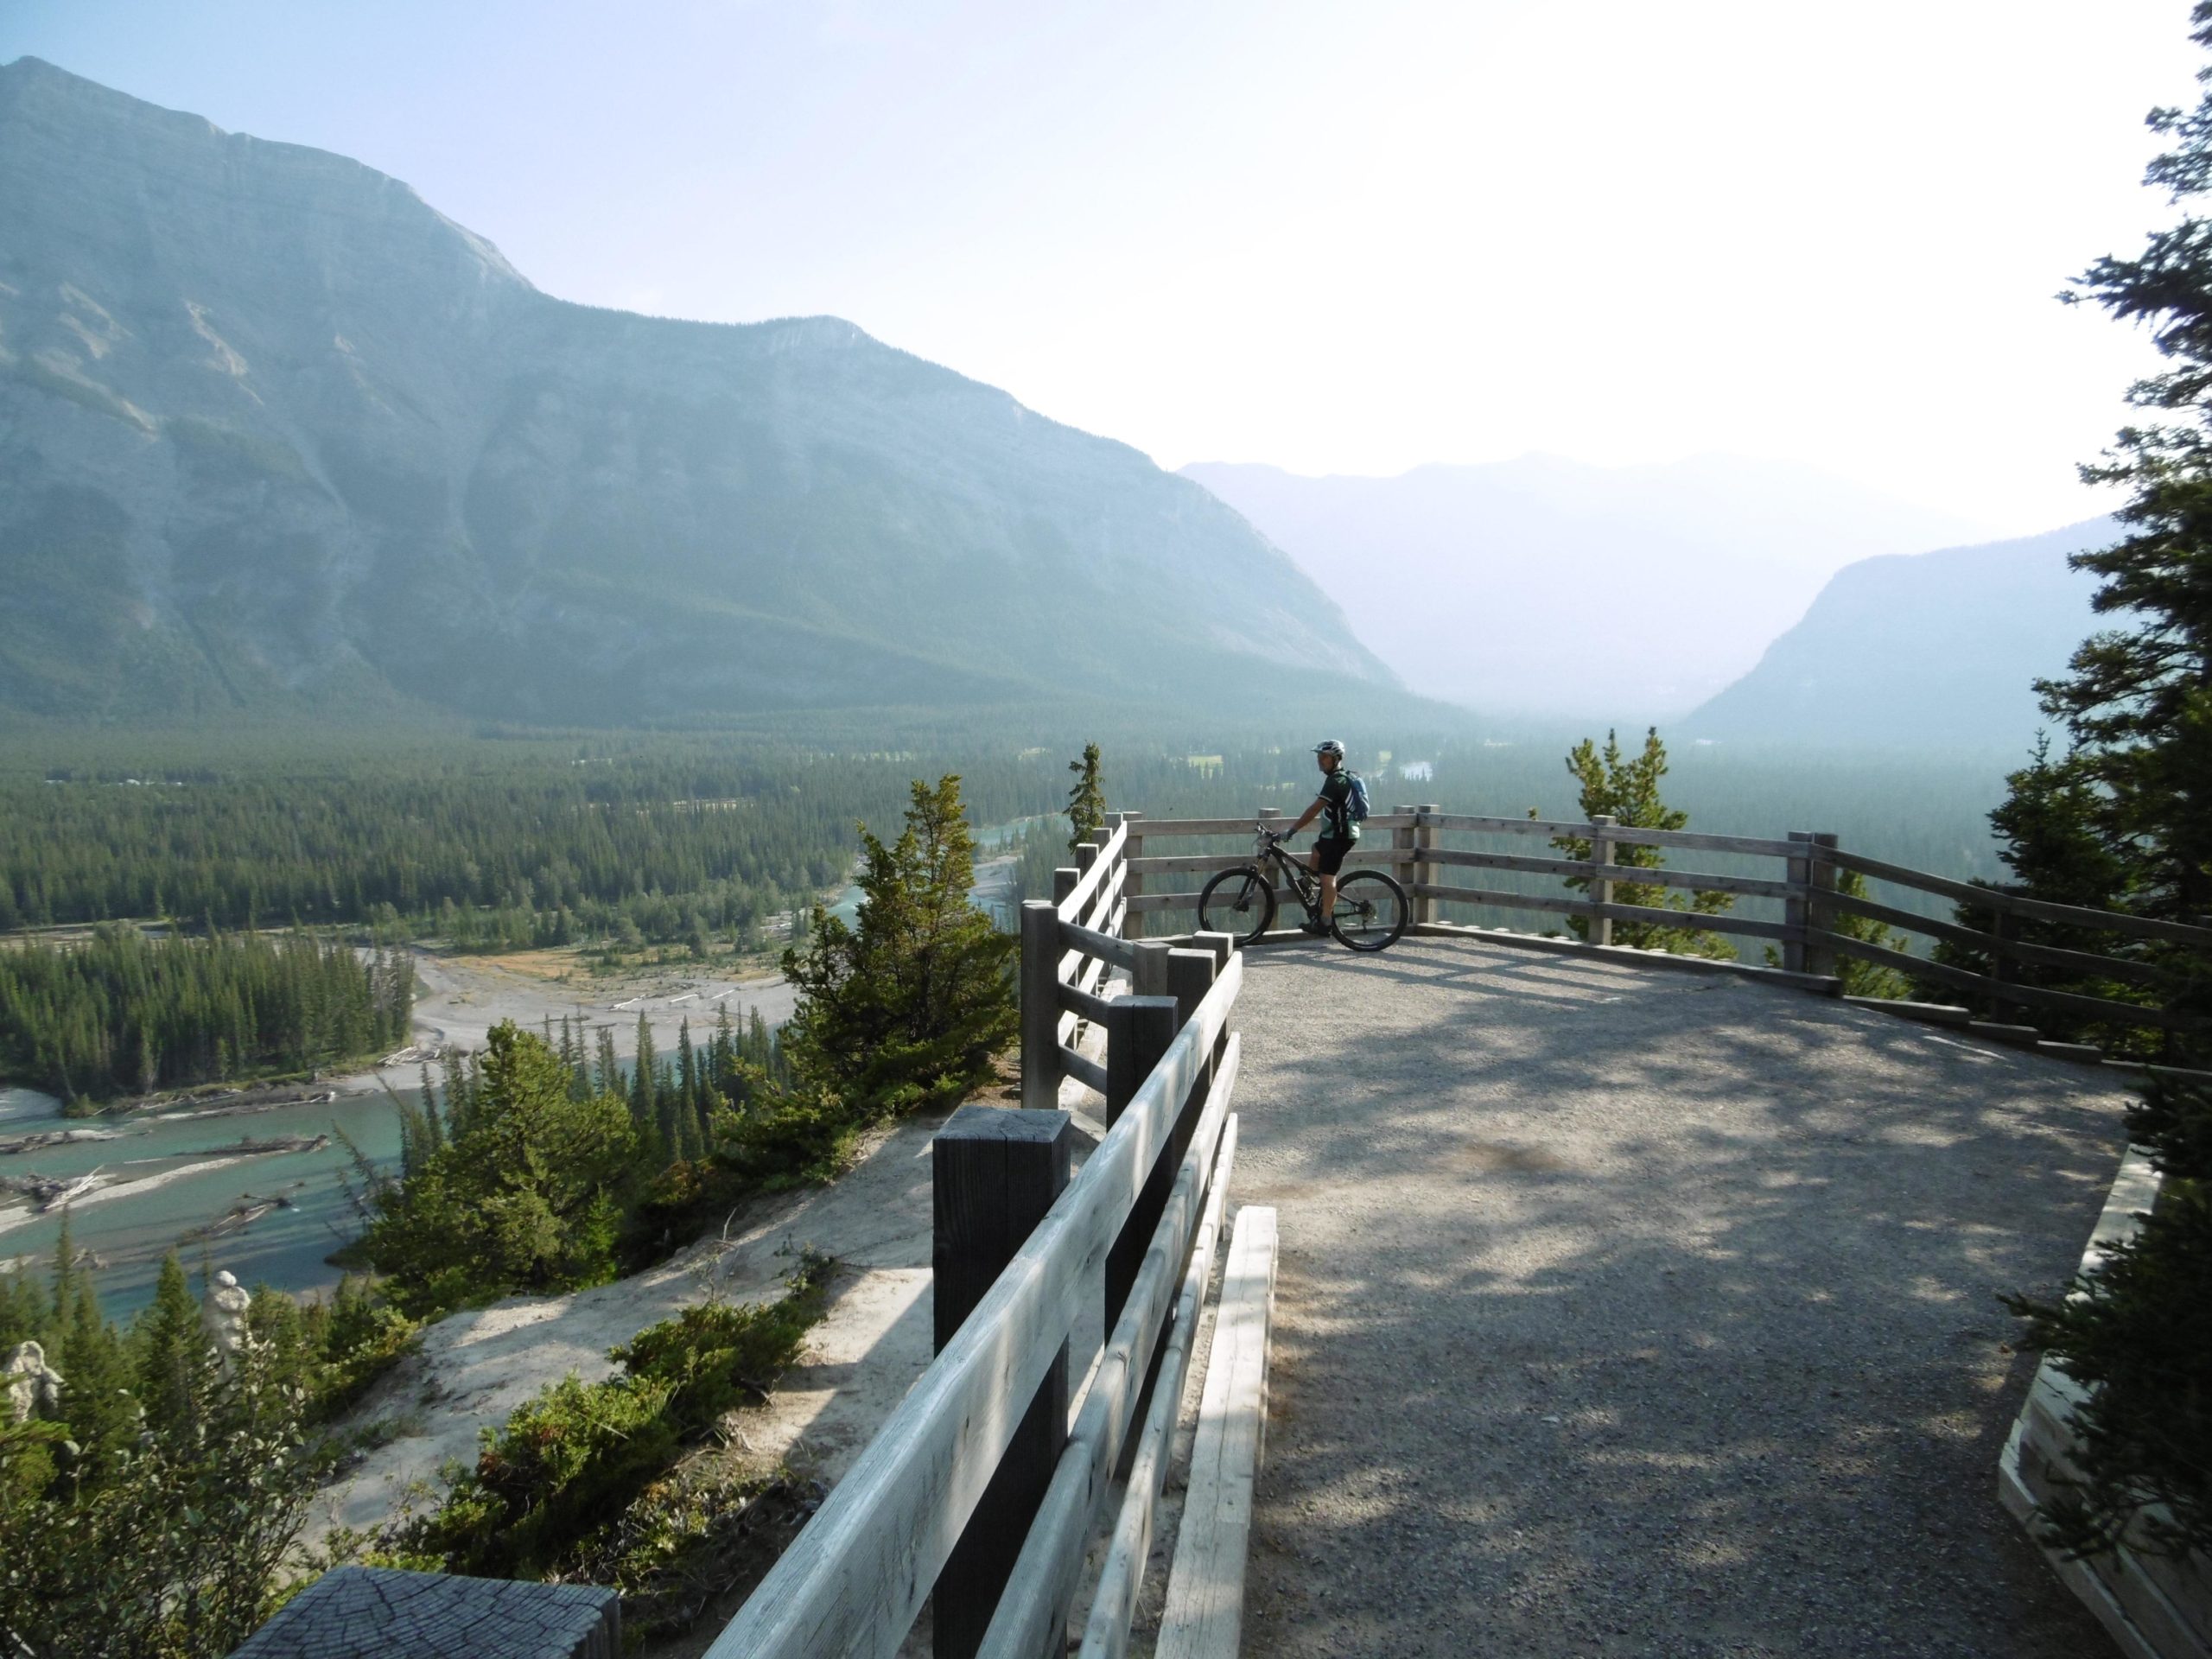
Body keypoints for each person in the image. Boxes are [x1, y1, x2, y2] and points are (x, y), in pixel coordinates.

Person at [1278, 739, 1357, 935]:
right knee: (1316, 851)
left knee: (1327, 878)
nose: (1320, 760)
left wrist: (1292, 830)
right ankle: (1306, 885)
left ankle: (1325, 921)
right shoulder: (1336, 778)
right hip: (1333, 835)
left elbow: (1314, 809)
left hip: (1340, 837)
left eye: (1325, 757)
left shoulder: (1336, 781)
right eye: (1319, 757)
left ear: (1336, 759)